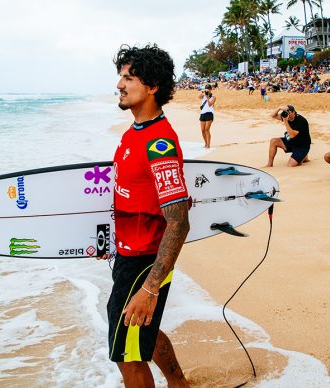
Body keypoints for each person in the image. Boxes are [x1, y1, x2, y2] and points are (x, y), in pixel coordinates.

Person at [103, 43, 190, 387]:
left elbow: (179, 221)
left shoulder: (159, 143)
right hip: (128, 255)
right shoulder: (132, 133)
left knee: (128, 356)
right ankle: (179, 383)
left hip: (143, 262)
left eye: (129, 77)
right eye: (120, 76)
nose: (120, 84)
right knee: (142, 334)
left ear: (152, 86)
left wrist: (150, 288)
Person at [198, 84, 216, 148]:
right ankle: (205, 143)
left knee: (207, 129)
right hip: (202, 113)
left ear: (211, 89)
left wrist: (208, 98)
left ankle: (208, 144)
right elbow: (198, 97)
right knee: (202, 130)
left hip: (209, 113)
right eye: (207, 89)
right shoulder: (203, 95)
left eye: (209, 89)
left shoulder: (213, 96)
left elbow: (209, 105)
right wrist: (202, 92)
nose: (208, 91)